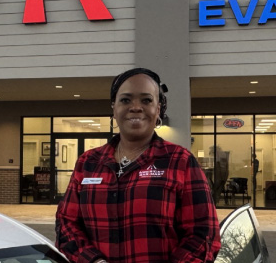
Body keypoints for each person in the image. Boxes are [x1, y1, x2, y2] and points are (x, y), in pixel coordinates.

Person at [55, 68, 221, 263]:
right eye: (125, 100)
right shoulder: (88, 163)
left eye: (146, 100)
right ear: (114, 108)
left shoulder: (180, 161)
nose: (135, 107)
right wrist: (93, 261)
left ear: (158, 109)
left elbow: (203, 234)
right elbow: (66, 224)